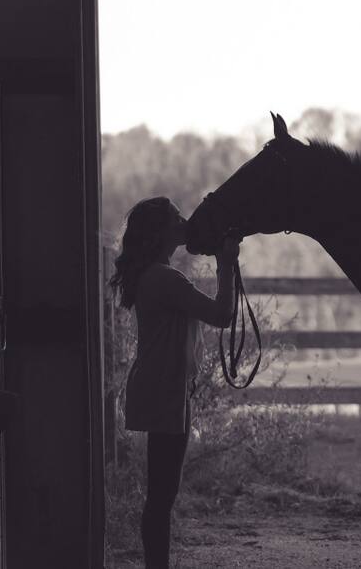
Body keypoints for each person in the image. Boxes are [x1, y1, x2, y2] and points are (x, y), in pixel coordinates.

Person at [107, 196, 239, 569]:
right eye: (177, 218)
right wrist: (226, 265)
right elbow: (222, 314)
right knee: (162, 496)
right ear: (162, 232)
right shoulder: (165, 278)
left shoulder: (153, 275)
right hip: (165, 389)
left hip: (162, 386)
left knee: (161, 494)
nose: (184, 222)